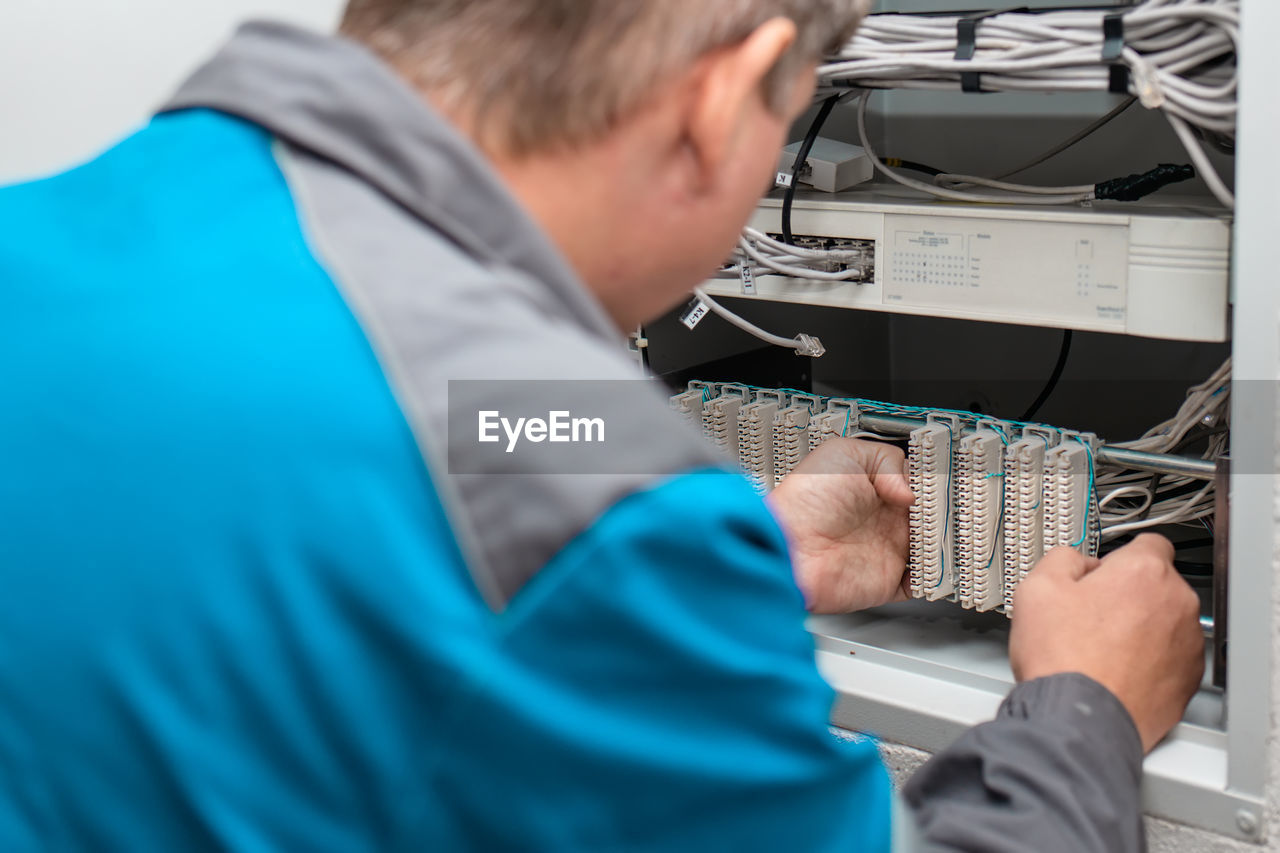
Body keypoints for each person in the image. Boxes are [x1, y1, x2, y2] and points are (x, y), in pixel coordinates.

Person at [0, 1, 1204, 850]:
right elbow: (494, 478)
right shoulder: (606, 527)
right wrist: (1082, 705)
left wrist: (741, 538)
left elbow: (447, 427)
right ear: (725, 95)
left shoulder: (50, 236)